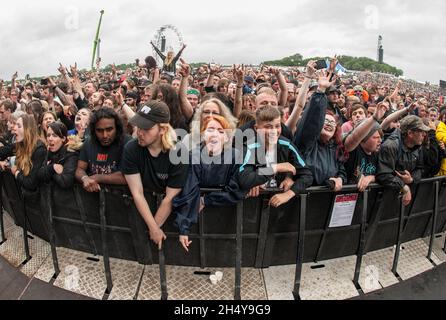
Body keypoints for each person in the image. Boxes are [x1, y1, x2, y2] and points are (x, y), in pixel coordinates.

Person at [173, 115, 246, 252]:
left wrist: (205, 199)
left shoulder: (237, 156)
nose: (215, 134)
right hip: (197, 219)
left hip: (227, 219)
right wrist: (184, 228)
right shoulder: (192, 156)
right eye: (210, 129)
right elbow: (188, 191)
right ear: (203, 134)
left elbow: (237, 190)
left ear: (226, 137)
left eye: (221, 130)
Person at [122, 100, 189, 248]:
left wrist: (154, 229)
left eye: (146, 128)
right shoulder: (131, 149)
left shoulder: (179, 152)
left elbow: (170, 198)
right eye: (139, 126)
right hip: (142, 209)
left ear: (162, 130)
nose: (139, 132)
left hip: (170, 214)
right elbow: (137, 193)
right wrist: (153, 228)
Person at [239, 106, 313, 207]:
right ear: (256, 128)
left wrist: (288, 193)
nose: (273, 131)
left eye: (277, 126)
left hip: (279, 207)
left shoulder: (287, 145)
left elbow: (307, 175)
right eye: (268, 127)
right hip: (251, 206)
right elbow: (245, 178)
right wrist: (276, 167)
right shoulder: (248, 147)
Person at [294, 71, 347, 190]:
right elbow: (311, 121)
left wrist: (339, 179)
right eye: (326, 122)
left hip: (325, 202)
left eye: (332, 123)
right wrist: (320, 91)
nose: (329, 124)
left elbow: (342, 171)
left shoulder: (336, 148)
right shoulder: (307, 143)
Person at [376, 115, 430, 206]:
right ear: (410, 133)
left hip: (401, 200)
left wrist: (411, 179)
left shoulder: (418, 146)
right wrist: (403, 186)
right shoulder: (391, 145)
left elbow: (420, 168)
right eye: (421, 131)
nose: (424, 135)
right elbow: (383, 174)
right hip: (382, 200)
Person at [75, 108, 130, 193]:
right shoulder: (89, 143)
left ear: (117, 128)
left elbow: (128, 177)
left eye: (109, 129)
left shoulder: (128, 144)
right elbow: (80, 169)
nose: (104, 135)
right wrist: (85, 178)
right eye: (99, 130)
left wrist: (97, 177)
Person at [38, 122, 81, 189]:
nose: (50, 139)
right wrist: (53, 167)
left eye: (54, 135)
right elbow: (40, 175)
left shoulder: (71, 154)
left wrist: (49, 170)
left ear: (63, 138)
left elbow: (66, 182)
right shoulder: (48, 151)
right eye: (48, 135)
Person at [10, 114, 46, 192]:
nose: (14, 128)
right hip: (26, 199)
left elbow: (31, 183)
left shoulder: (39, 149)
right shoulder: (21, 146)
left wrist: (16, 173)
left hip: (37, 200)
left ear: (28, 129)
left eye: (19, 126)